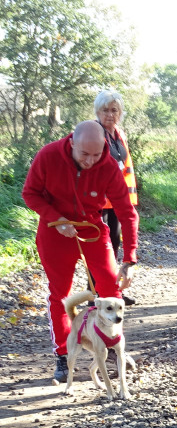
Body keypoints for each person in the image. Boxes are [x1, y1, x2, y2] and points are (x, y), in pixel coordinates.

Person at [22, 120, 139, 384]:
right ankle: (64, 354)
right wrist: (57, 219)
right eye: (84, 154)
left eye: (96, 155)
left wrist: (130, 258)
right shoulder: (48, 155)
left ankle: (111, 348)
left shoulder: (107, 165)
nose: (90, 161)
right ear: (72, 143)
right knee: (61, 294)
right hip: (55, 230)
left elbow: (127, 212)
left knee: (110, 286)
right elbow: (30, 193)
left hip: (92, 229)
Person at [93, 89, 138, 305]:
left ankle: (112, 290)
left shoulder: (119, 134)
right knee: (99, 246)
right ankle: (95, 293)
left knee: (115, 243)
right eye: (105, 110)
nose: (110, 115)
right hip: (99, 201)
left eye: (114, 110)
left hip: (119, 200)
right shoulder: (94, 133)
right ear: (97, 112)